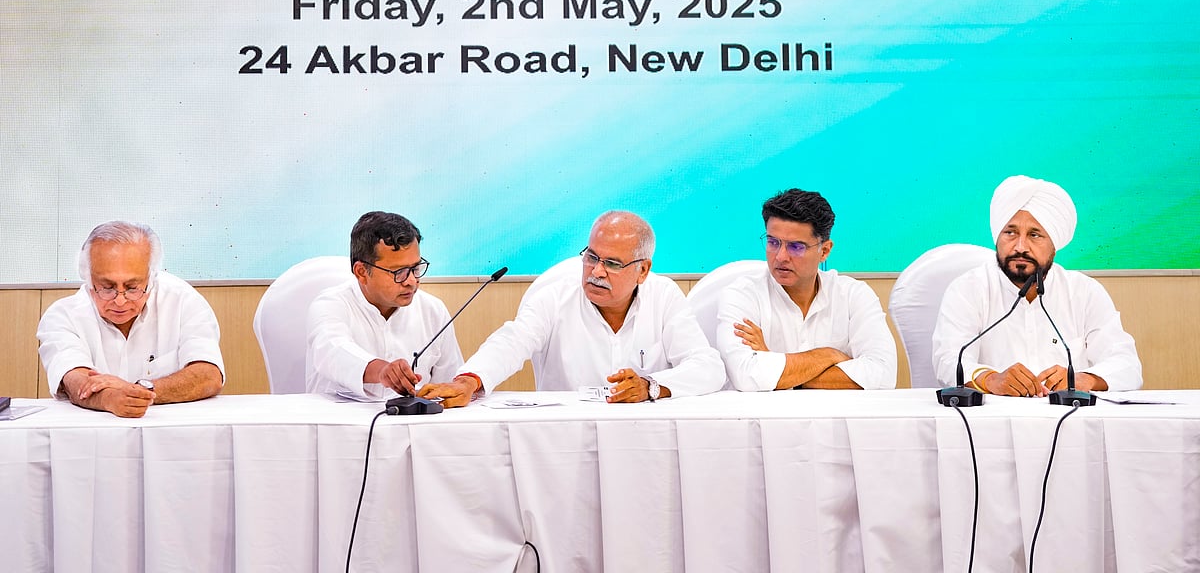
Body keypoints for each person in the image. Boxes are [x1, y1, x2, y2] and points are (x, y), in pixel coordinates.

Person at [419, 211, 725, 406]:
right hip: (566, 441)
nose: (596, 271)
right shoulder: (555, 296)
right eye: (591, 257)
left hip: (643, 437)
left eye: (613, 264)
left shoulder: (664, 296)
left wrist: (651, 387)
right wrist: (467, 381)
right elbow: (512, 341)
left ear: (643, 271)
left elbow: (707, 367)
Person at [932, 175, 1142, 395]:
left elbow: (1127, 365)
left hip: (1070, 422)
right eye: (1010, 233)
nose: (1020, 246)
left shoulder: (1084, 292)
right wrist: (990, 379)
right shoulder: (968, 290)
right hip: (989, 424)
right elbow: (947, 359)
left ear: (1054, 243)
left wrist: (1084, 379)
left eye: (1034, 235)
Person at [37, 221, 225, 418]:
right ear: (88, 279)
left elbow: (208, 376)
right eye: (107, 287)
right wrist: (110, 399)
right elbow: (76, 381)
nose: (119, 300)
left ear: (151, 278)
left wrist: (138, 391)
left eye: (132, 287)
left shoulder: (183, 300)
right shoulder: (62, 316)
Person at [716, 189, 896, 391]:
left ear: (824, 251)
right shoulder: (742, 294)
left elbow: (883, 376)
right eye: (773, 242)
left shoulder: (854, 295)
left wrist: (775, 364)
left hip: (836, 419)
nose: (781, 256)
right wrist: (828, 355)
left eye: (796, 247)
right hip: (764, 420)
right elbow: (747, 376)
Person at [306, 211, 463, 400]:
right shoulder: (330, 305)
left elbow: (447, 388)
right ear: (361, 272)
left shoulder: (433, 311)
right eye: (399, 272)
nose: (411, 281)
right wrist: (382, 371)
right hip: (342, 424)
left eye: (415, 268)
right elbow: (333, 352)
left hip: (414, 427)